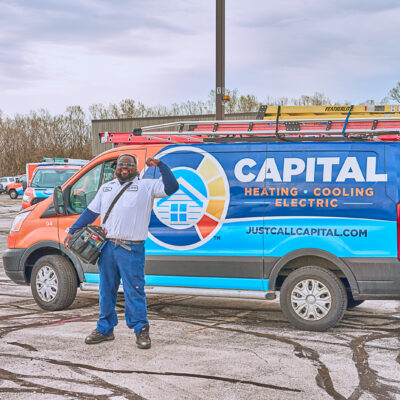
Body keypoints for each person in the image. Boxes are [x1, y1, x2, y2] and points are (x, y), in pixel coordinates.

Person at [64, 154, 179, 349]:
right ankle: (105, 329)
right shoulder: (106, 188)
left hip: (131, 248)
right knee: (106, 290)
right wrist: (72, 231)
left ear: (136, 167)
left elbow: (172, 187)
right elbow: (91, 213)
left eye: (129, 164)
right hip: (107, 247)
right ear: (116, 167)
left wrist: (160, 165)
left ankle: (141, 330)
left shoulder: (147, 186)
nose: (124, 167)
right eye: (121, 164)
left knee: (134, 290)